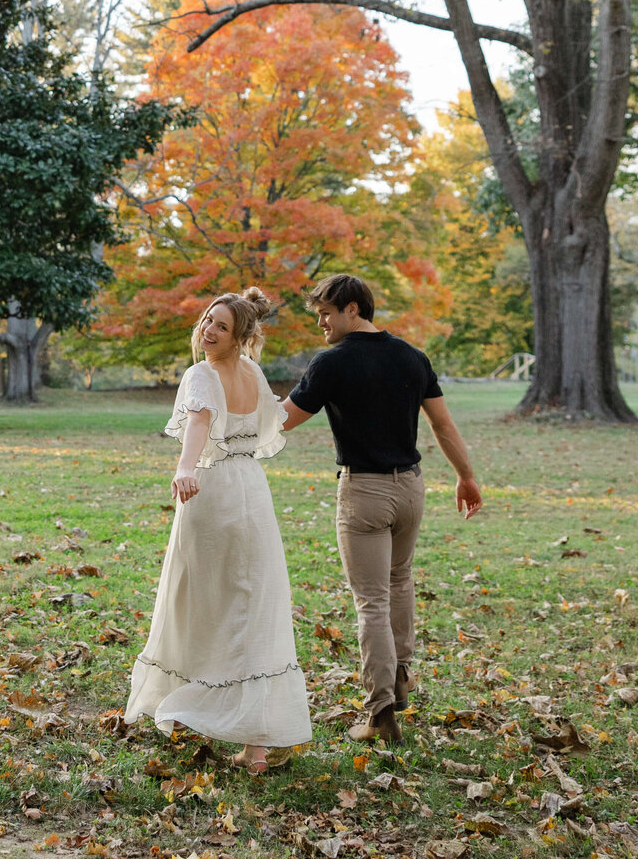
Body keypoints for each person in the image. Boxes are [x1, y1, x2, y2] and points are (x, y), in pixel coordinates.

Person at [279, 272, 483, 749]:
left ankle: (381, 712)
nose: (321, 324)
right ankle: (402, 677)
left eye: (326, 314)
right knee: (399, 582)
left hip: (364, 492)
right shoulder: (413, 357)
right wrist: (466, 477)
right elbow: (443, 424)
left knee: (371, 600)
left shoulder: (331, 363)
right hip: (411, 489)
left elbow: (284, 419)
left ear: (353, 309)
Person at [124, 287, 312, 775]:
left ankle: (216, 713)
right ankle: (253, 740)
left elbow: (200, 425)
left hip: (212, 490)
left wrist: (186, 468)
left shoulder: (202, 375)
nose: (208, 330)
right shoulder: (252, 374)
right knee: (248, 601)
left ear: (241, 336)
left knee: (203, 599)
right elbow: (275, 424)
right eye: (207, 320)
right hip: (251, 486)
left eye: (221, 326)